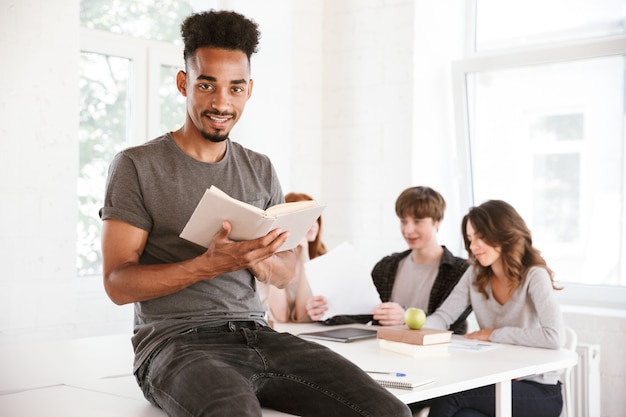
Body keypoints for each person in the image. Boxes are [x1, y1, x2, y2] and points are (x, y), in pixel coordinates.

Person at [99, 10, 411, 417]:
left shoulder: (259, 168)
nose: (221, 103)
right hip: (176, 342)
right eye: (206, 85)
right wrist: (208, 265)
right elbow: (117, 284)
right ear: (183, 84)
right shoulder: (136, 166)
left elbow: (285, 272)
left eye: (236, 88)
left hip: (260, 335)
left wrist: (258, 260)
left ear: (249, 90)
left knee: (389, 412)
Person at [425, 200, 565, 417]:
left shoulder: (534, 276)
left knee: (451, 396)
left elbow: (554, 336)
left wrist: (493, 335)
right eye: (470, 239)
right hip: (495, 382)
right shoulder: (475, 275)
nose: (473, 247)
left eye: (481, 237)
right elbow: (444, 317)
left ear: (503, 233)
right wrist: (414, 330)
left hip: (537, 389)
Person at [306, 186, 470, 333]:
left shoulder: (459, 271)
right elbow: (362, 314)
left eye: (418, 221)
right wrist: (326, 312)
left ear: (438, 221)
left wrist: (405, 318)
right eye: (403, 221)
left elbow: (450, 324)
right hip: (384, 354)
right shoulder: (387, 266)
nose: (408, 230)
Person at [259, 192, 327, 323]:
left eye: (315, 217)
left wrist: (304, 254)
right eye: (306, 218)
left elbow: (302, 316)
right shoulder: (266, 259)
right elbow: (280, 317)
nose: (313, 224)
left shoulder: (320, 259)